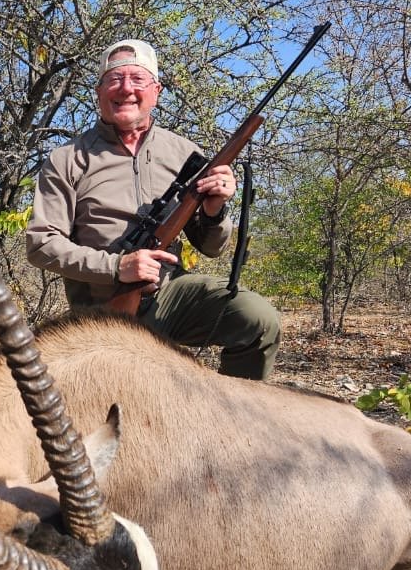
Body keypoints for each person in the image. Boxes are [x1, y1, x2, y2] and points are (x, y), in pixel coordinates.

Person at [25, 38, 281, 380]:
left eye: (137, 79)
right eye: (114, 80)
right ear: (99, 92)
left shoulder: (183, 153)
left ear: (156, 91)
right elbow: (42, 245)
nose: (125, 89)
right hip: (101, 306)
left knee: (258, 320)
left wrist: (215, 210)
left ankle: (237, 422)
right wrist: (118, 266)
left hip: (170, 295)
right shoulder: (67, 159)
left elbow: (211, 247)